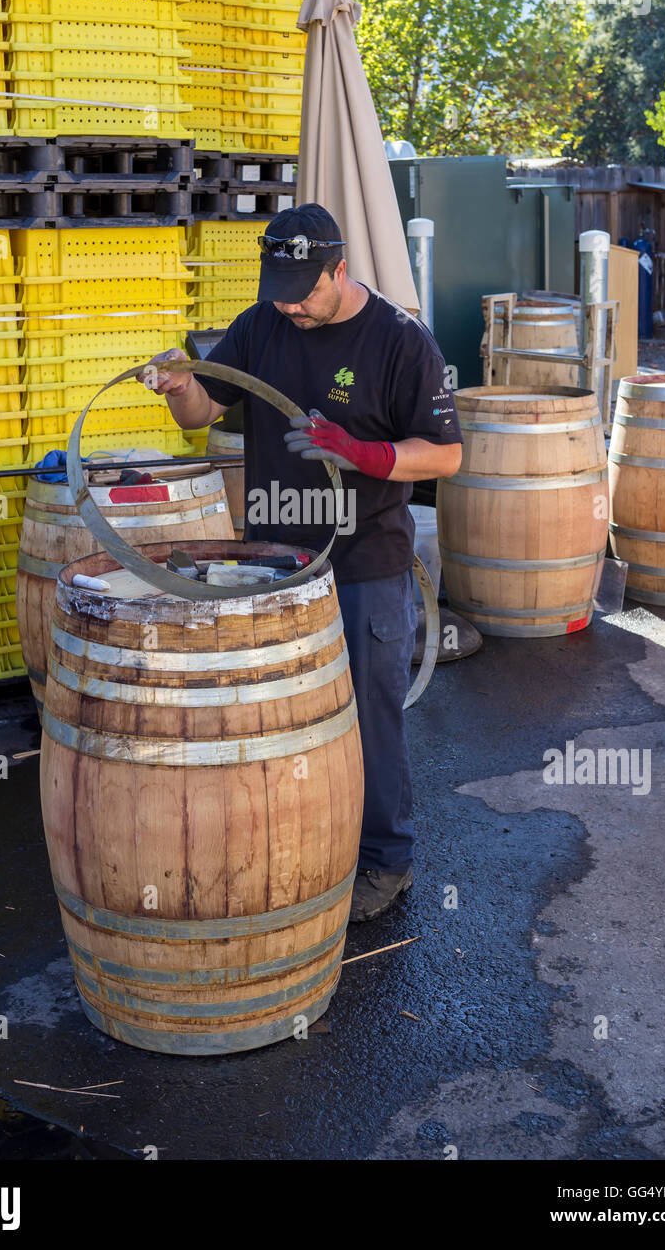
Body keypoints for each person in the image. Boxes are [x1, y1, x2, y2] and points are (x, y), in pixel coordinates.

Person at [138, 204, 462, 922]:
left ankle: (386, 861)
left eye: (304, 291)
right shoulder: (262, 323)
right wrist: (180, 387)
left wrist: (363, 453)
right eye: (278, 288)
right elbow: (200, 415)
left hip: (364, 563)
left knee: (369, 718)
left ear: (339, 269)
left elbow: (445, 453)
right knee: (278, 719)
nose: (291, 304)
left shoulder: (402, 342)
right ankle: (304, 849)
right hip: (276, 566)